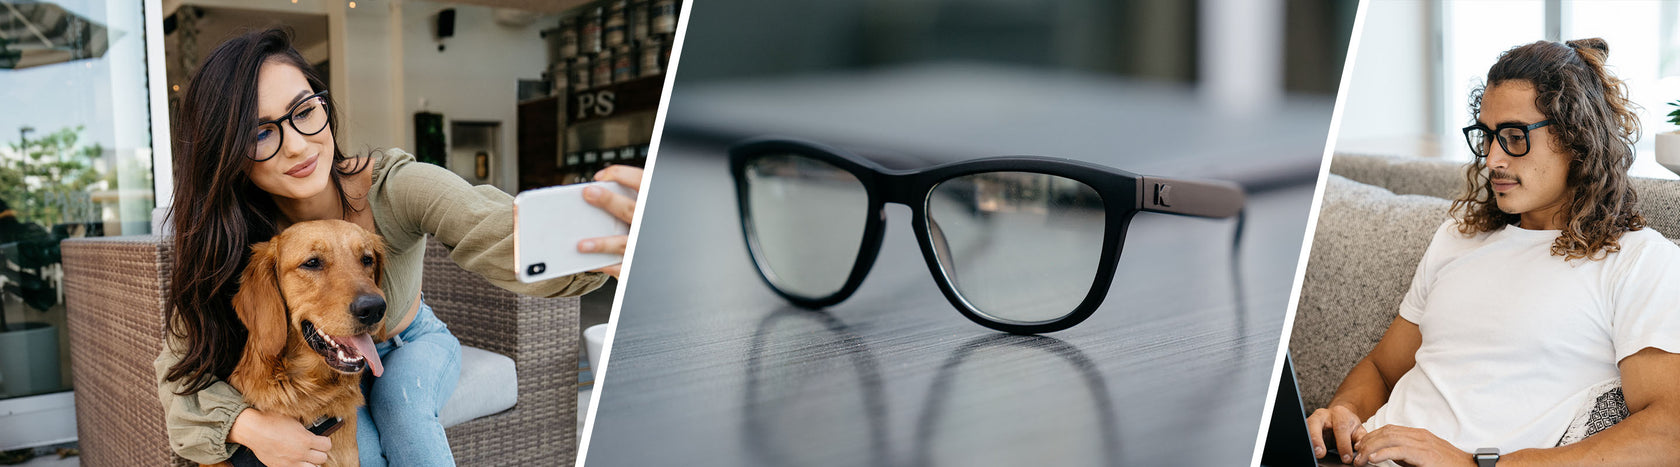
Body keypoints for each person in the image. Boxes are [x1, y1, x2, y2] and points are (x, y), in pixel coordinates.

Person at [152, 28, 640, 467]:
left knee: (401, 407)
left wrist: (600, 239)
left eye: (304, 111)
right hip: (326, 360)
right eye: (260, 132)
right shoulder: (237, 235)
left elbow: (494, 229)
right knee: (347, 448)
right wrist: (249, 425)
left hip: (409, 341)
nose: (299, 145)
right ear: (227, 152)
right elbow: (178, 369)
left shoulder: (396, 187)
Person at [1308, 38, 1680, 467]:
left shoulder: (1640, 262)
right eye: (1487, 136)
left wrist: (1474, 464)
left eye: (1514, 136)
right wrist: (1345, 413)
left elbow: (1667, 432)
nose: (1494, 158)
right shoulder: (1458, 238)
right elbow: (1381, 369)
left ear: (1577, 139)